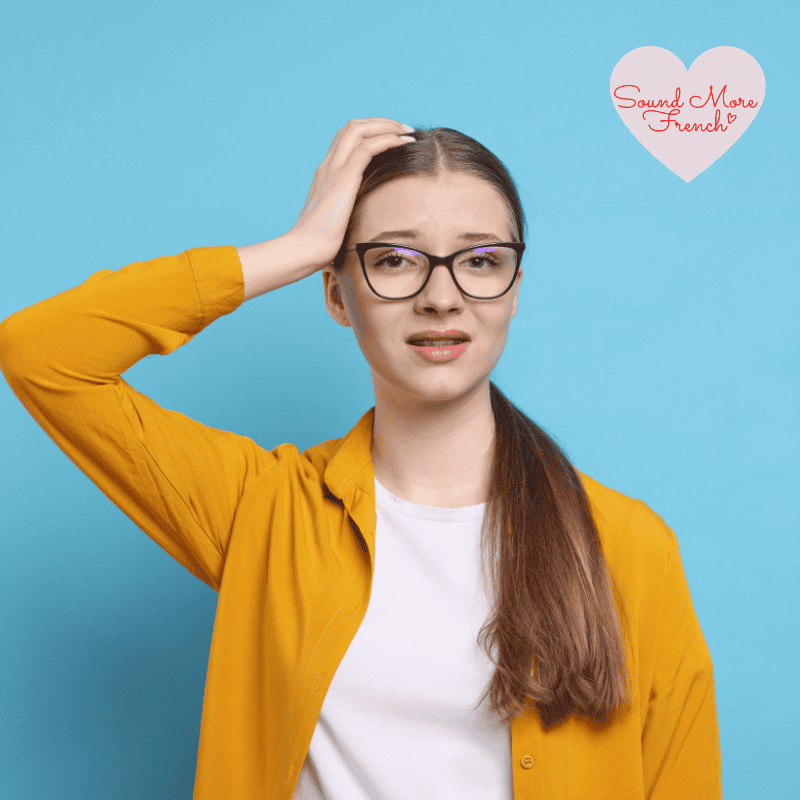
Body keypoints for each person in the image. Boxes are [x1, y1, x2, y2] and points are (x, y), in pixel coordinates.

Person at [0, 117, 722, 799]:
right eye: (394, 260)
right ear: (336, 294)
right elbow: (43, 354)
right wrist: (298, 245)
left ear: (514, 289)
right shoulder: (265, 510)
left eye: (479, 260)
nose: (442, 298)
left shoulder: (628, 545)